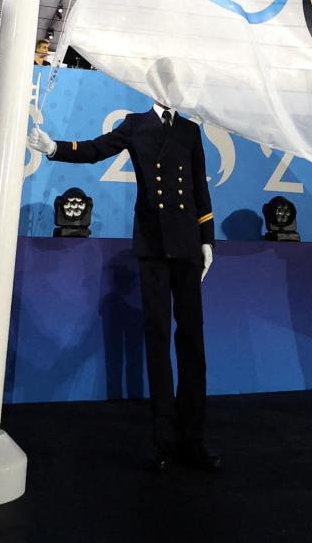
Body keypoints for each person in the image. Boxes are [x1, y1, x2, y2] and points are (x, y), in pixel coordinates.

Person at [28, 99, 218, 471]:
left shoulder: (190, 130)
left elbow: (199, 187)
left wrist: (207, 238)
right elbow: (98, 149)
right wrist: (55, 148)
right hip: (153, 244)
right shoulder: (136, 124)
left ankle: (193, 440)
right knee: (158, 341)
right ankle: (165, 443)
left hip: (187, 245)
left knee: (193, 342)